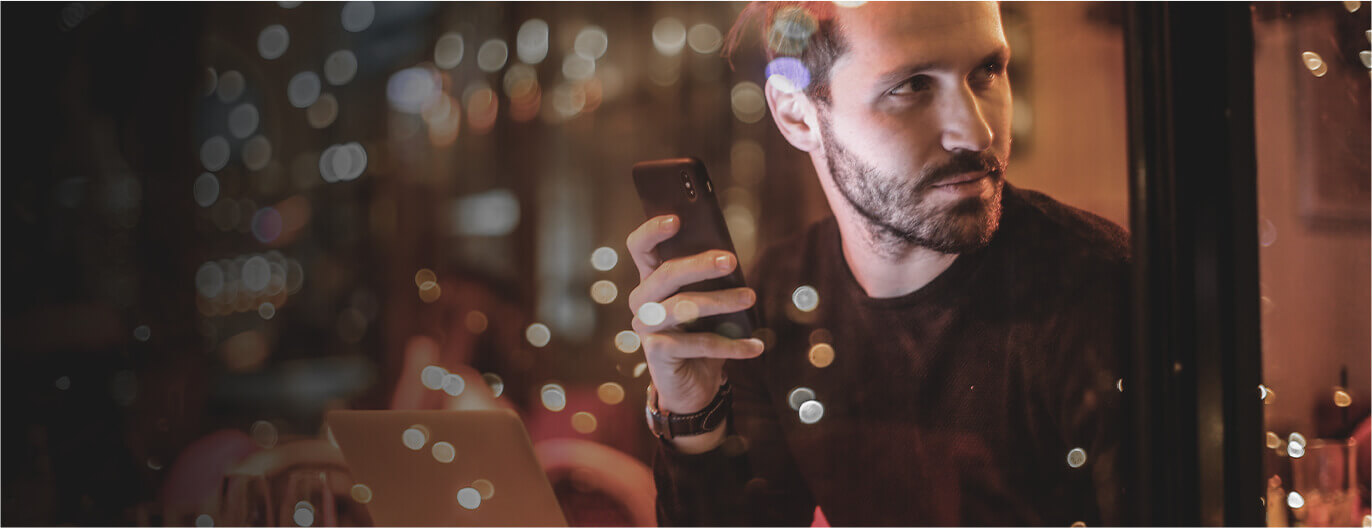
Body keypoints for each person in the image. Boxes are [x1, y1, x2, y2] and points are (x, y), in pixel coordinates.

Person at [625, 2, 1130, 526]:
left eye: (987, 71)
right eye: (911, 85)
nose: (975, 134)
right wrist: (693, 412)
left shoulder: (1099, 289)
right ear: (797, 114)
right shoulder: (779, 294)